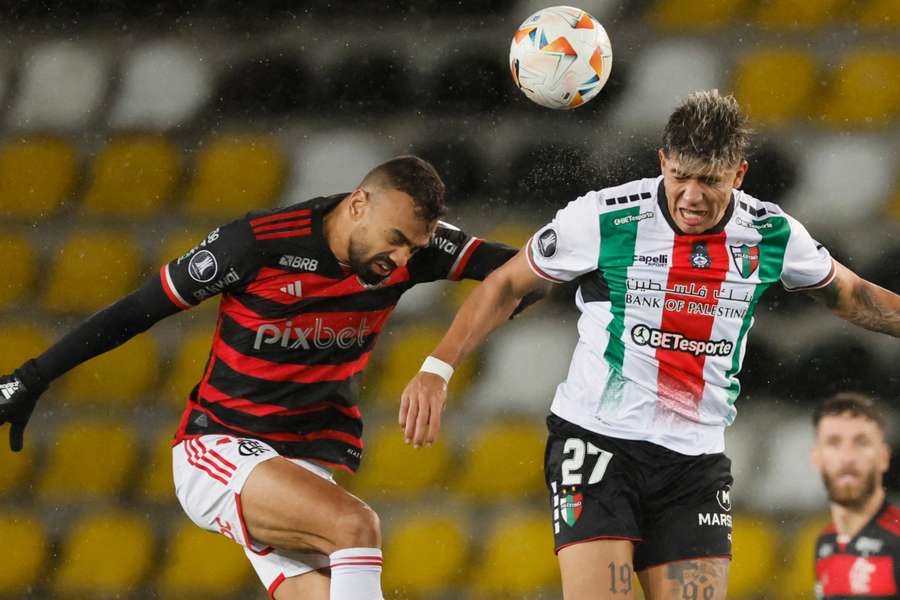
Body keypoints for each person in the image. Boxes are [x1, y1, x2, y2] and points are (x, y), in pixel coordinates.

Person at [399, 90, 900, 600]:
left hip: (694, 462)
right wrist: (437, 369)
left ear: (739, 175)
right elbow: (507, 284)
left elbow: (851, 293)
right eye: (680, 175)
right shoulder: (605, 218)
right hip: (597, 442)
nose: (692, 196)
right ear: (662, 161)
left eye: (710, 180)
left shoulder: (770, 234)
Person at [0, 155, 527, 600]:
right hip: (220, 446)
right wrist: (31, 378)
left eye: (413, 248)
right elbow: (137, 310)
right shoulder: (257, 243)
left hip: (302, 468)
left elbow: (527, 275)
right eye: (395, 241)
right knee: (356, 527)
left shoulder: (414, 251)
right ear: (358, 204)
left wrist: (441, 364)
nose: (400, 259)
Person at [812, 393, 899, 599]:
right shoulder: (825, 543)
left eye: (861, 442)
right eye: (834, 442)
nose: (847, 457)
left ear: (884, 457)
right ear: (816, 458)